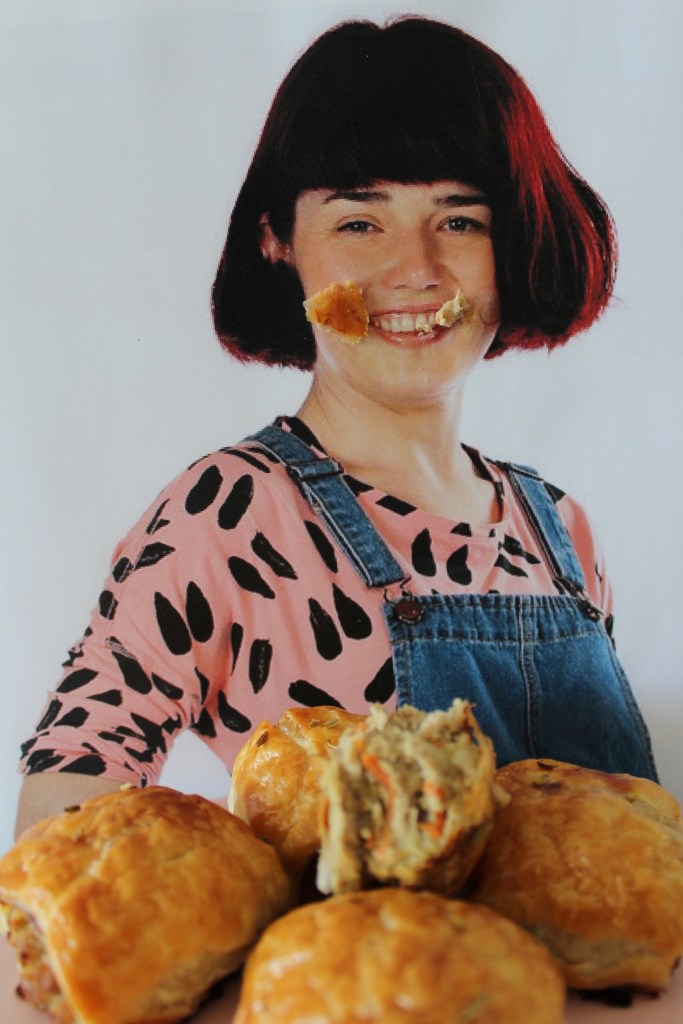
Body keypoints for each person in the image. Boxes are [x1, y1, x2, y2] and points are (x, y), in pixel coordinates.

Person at [15, 16, 658, 837]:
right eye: (359, 222)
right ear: (277, 240)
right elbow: (63, 819)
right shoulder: (230, 516)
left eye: (459, 220)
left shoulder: (558, 530)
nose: (416, 270)